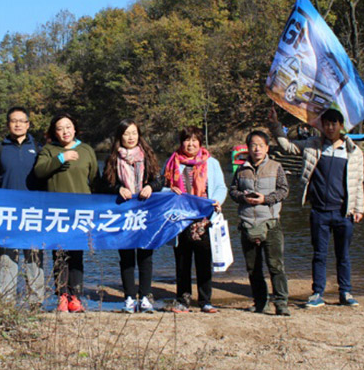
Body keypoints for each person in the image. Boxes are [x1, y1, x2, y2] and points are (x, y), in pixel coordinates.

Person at [270, 107, 364, 308]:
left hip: (343, 211)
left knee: (343, 254)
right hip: (319, 211)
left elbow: (358, 182)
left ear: (341, 126)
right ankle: (317, 293)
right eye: (326, 124)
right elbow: (288, 147)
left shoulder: (353, 152)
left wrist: (359, 209)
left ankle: (345, 292)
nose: (330, 128)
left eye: (334, 124)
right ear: (321, 126)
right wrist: (275, 125)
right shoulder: (313, 145)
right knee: (319, 254)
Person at [33, 112, 97, 313]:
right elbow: (39, 172)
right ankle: (61, 295)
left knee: (76, 253)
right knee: (59, 254)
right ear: (54, 132)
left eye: (68, 127)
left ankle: (75, 296)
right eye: (60, 128)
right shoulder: (49, 150)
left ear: (75, 128)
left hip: (81, 210)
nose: (65, 131)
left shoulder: (86, 150)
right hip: (56, 212)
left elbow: (95, 179)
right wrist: (61, 157)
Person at [101, 119, 164, 314]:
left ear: (139, 135)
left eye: (134, 133)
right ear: (120, 136)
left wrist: (150, 187)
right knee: (126, 257)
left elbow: (160, 181)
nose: (130, 137)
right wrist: (118, 188)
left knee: (146, 255)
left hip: (145, 213)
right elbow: (104, 184)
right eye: (126, 133)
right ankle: (129, 297)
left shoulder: (147, 156)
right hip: (123, 214)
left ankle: (145, 297)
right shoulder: (113, 159)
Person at [163, 126, 226, 313]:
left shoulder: (211, 163)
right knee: (182, 262)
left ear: (200, 142)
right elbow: (161, 187)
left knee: (204, 261)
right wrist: (169, 191)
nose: (190, 144)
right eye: (186, 140)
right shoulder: (172, 162)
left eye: (194, 140)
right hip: (180, 219)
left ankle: (205, 300)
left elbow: (221, 187)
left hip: (203, 219)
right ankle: (182, 300)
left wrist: (217, 201)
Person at [229, 130, 291, 316]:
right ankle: (260, 302)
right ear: (248, 148)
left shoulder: (275, 166)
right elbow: (233, 191)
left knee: (276, 265)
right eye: (253, 145)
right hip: (248, 223)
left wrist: (266, 199)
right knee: (253, 268)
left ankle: (281, 303)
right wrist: (243, 197)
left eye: (261, 145)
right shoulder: (241, 169)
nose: (257, 149)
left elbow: (284, 190)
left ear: (267, 148)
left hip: (271, 222)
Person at [0, 106, 46, 305]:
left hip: (33, 212)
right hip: (7, 212)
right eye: (14, 121)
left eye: (22, 121)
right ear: (8, 124)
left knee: (34, 257)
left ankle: (35, 301)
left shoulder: (38, 148)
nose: (18, 124)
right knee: (6, 258)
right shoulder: (0, 148)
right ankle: (6, 301)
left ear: (28, 124)